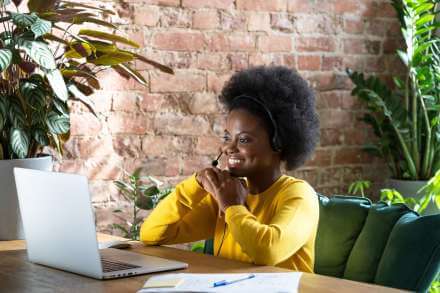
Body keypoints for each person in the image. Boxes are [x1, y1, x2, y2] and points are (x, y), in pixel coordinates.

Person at [140, 65, 320, 272]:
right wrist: (195, 185)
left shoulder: (298, 194)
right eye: (227, 137)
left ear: (278, 143)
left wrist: (232, 207)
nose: (228, 148)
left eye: (243, 139)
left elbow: (267, 251)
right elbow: (152, 234)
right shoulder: (226, 193)